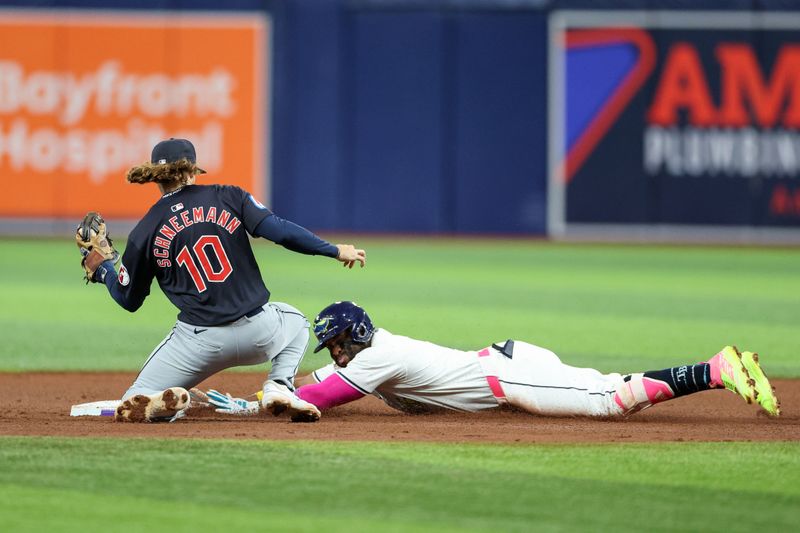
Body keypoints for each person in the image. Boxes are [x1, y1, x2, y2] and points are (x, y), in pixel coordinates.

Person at [80, 138, 366, 422]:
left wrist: (105, 269)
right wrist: (334, 250)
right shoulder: (228, 196)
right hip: (260, 332)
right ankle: (279, 386)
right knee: (296, 321)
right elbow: (281, 232)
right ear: (192, 170)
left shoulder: (145, 230)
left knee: (136, 396)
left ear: (156, 177)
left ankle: (162, 403)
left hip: (199, 344)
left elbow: (128, 300)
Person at [208, 301, 780, 420]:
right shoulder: (364, 356)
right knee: (600, 393)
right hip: (502, 365)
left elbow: (320, 394)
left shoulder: (376, 356)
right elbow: (313, 379)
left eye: (335, 343)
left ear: (354, 336)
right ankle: (716, 369)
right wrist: (263, 393)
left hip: (507, 376)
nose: (332, 353)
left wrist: (267, 402)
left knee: (609, 399)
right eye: (329, 347)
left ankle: (716, 368)